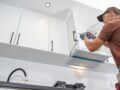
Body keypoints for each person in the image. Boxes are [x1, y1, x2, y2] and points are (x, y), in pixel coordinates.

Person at [80, 7, 120, 83]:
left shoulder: (111, 24)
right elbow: (113, 44)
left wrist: (84, 37)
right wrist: (95, 38)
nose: (104, 22)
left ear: (111, 13)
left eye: (104, 18)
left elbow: (91, 47)